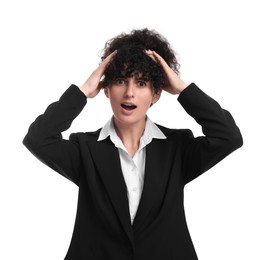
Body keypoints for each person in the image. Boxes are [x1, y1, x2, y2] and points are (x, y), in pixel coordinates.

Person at [23, 28, 243, 260]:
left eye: (141, 83)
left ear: (156, 93)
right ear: (106, 89)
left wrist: (181, 88)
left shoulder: (177, 148)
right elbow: (38, 139)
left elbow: (228, 137)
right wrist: (84, 91)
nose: (129, 93)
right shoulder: (85, 149)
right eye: (120, 81)